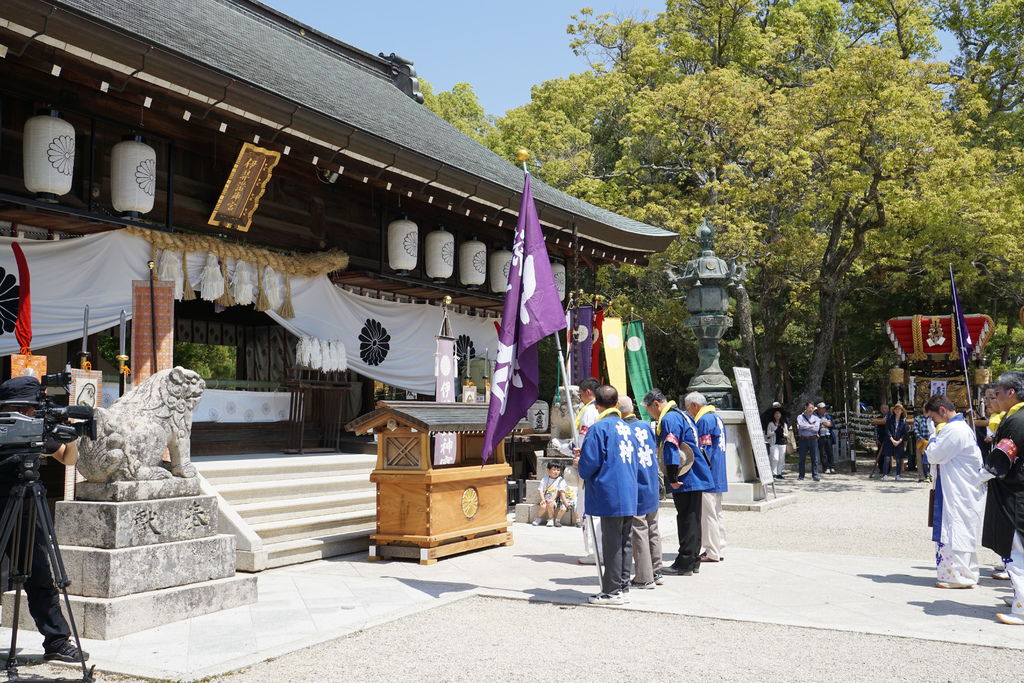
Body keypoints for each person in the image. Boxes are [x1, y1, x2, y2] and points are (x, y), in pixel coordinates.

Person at [0, 376, 89, 663]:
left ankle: (57, 641)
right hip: (4, 501)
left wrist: (71, 439)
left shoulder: (36, 426)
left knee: (39, 574)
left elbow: (68, 459)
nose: (32, 413)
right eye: (29, 408)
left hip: (27, 504)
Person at [577, 385, 639, 605]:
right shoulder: (628, 427)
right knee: (624, 541)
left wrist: (579, 463)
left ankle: (611, 591)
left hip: (610, 490)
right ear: (616, 404)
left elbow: (588, 465)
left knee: (612, 542)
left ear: (596, 404)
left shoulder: (599, 428)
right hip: (629, 489)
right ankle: (622, 585)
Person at [643, 388, 711, 576]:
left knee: (686, 519)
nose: (650, 414)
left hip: (686, 474)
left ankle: (685, 562)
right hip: (694, 473)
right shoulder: (682, 414)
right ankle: (693, 560)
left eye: (649, 410)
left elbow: (671, 446)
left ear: (656, 404)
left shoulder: (669, 419)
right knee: (693, 518)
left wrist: (672, 476)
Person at [923, 393, 987, 589]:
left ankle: (958, 576)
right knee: (958, 529)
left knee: (956, 530)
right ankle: (961, 574)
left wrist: (932, 436)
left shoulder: (954, 430)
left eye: (933, 417)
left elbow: (934, 455)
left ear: (942, 410)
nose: (933, 421)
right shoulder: (958, 428)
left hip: (958, 490)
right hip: (958, 486)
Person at [982, 371, 1024, 622]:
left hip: (1014, 493)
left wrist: (982, 474)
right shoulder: (1015, 417)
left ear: (1011, 392)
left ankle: (1022, 606)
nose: (994, 398)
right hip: (1015, 489)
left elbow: (1002, 458)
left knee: (1015, 548)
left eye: (996, 393)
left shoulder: (1017, 420)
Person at [620, 396, 662, 589]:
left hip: (636, 483)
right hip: (651, 480)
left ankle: (644, 577)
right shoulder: (645, 426)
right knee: (652, 527)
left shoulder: (624, 429)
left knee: (638, 530)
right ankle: (657, 571)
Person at [692, 393, 727, 564]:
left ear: (695, 405)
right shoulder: (717, 418)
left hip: (709, 474)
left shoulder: (704, 420)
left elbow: (703, 449)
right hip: (719, 472)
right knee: (717, 512)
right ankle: (719, 546)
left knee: (708, 515)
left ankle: (711, 550)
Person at [572, 377, 601, 565]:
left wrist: (579, 458)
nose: (580, 397)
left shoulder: (590, 411)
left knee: (588, 510)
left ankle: (593, 552)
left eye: (581, 394)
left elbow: (584, 439)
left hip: (588, 464)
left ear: (588, 392)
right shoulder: (603, 410)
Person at [532, 462, 569, 527]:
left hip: (555, 499)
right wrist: (543, 499)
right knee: (543, 506)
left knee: (550, 504)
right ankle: (538, 518)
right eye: (554, 470)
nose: (556, 472)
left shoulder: (560, 480)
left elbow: (557, 491)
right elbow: (541, 490)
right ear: (548, 470)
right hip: (546, 497)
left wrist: (552, 499)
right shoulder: (545, 479)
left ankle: (551, 519)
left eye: (558, 470)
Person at [880, 403, 908, 481]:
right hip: (889, 440)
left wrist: (899, 441)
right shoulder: (890, 418)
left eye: (899, 409)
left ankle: (898, 475)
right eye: (896, 409)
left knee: (899, 459)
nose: (898, 411)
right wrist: (892, 439)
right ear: (894, 410)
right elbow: (887, 430)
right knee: (887, 458)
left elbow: (904, 433)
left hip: (899, 441)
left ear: (902, 411)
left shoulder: (904, 420)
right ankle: (885, 475)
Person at [795, 402, 822, 481]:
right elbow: (800, 426)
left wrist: (806, 427)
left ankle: (815, 475)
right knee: (802, 458)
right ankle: (801, 476)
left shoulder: (816, 418)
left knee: (814, 458)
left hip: (813, 439)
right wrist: (811, 426)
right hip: (803, 439)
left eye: (812, 408)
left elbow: (816, 429)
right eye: (810, 408)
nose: (811, 409)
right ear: (805, 408)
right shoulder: (800, 417)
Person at [764, 408, 789, 480]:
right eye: (776, 413)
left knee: (781, 459)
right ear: (774, 415)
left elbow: (787, 434)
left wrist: (782, 433)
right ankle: (773, 473)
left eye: (779, 413)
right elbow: (768, 434)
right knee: (775, 458)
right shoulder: (771, 424)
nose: (777, 415)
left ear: (781, 415)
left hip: (782, 443)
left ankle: (779, 473)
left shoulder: (784, 424)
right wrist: (775, 431)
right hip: (774, 443)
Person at [870, 403, 891, 478]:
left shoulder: (891, 417)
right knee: (880, 454)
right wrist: (876, 439)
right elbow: (875, 429)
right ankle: (881, 468)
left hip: (890, 438)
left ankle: (888, 469)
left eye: (886, 408)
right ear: (881, 410)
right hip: (881, 438)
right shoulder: (878, 418)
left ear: (888, 409)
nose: (884, 410)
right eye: (883, 408)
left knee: (888, 454)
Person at [913, 413, 934, 483]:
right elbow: (915, 429)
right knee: (919, 459)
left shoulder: (933, 417)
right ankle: (921, 476)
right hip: (920, 440)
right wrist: (921, 438)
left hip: (930, 440)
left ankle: (931, 476)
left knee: (931, 458)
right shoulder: (918, 418)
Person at [816, 403, 836, 475]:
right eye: (822, 408)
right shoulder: (815, 416)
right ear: (818, 409)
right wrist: (821, 425)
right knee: (823, 453)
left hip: (828, 436)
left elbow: (833, 424)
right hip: (820, 436)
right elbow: (814, 425)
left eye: (824, 408)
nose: (823, 409)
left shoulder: (828, 416)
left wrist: (829, 424)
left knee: (830, 452)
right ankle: (826, 467)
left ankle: (832, 467)